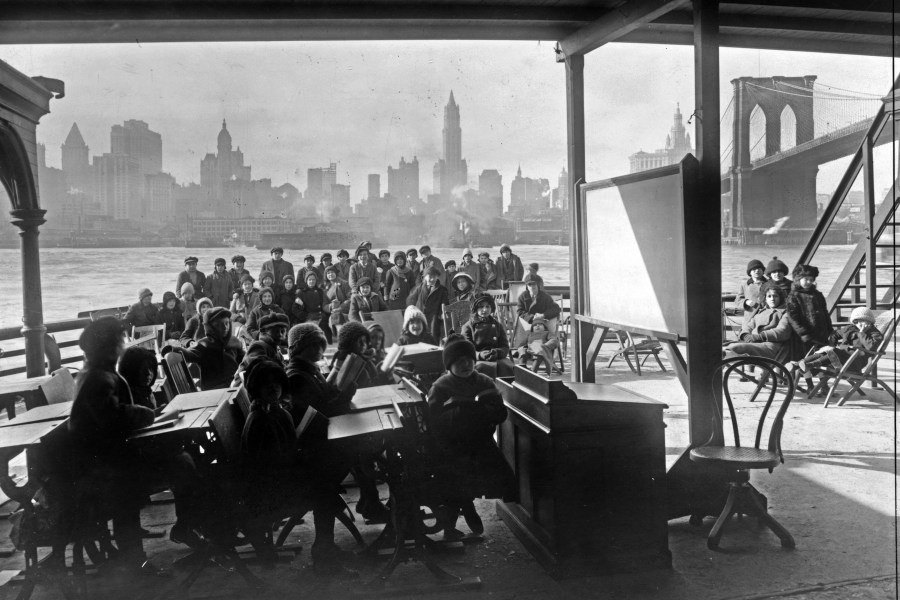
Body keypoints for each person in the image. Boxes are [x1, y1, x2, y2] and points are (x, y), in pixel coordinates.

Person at [69, 318, 196, 572]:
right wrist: (147, 414)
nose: (123, 345)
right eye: (120, 340)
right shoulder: (97, 378)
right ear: (109, 346)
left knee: (182, 459)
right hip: (107, 469)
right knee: (182, 463)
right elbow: (113, 417)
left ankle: (182, 529)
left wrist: (150, 414)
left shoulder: (98, 373)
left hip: (112, 459)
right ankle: (139, 558)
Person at [239, 358, 354, 574]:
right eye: (266, 384)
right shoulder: (262, 419)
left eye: (277, 383)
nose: (273, 387)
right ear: (256, 388)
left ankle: (325, 550)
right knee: (324, 491)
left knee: (325, 482)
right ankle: (324, 556)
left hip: (277, 482)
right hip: (268, 494)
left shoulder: (274, 411)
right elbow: (269, 466)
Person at [427, 335, 516, 538]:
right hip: (453, 445)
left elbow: (501, 413)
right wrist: (456, 414)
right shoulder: (440, 387)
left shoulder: (484, 381)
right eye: (459, 362)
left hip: (481, 442)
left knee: (491, 475)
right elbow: (434, 421)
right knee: (454, 482)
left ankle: (468, 505)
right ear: (449, 365)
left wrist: (487, 410)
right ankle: (453, 524)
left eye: (469, 360)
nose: (465, 364)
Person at [789, 306, 884, 380]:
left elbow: (871, 347)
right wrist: (831, 345)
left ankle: (809, 365)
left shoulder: (875, 334)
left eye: (862, 320)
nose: (859, 323)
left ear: (870, 321)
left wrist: (862, 333)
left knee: (833, 351)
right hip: (842, 358)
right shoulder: (850, 329)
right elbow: (835, 335)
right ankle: (798, 365)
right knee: (826, 351)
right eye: (856, 321)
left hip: (855, 362)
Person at [170, 307, 245, 390]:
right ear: (210, 328)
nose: (225, 327)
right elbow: (188, 354)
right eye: (218, 325)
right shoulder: (204, 345)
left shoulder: (234, 341)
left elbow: (244, 360)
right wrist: (171, 348)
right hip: (213, 390)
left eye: (227, 323)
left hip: (234, 386)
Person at [724, 286, 793, 361]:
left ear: (780, 298)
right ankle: (717, 370)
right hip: (754, 343)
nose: (772, 299)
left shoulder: (785, 313)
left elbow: (782, 331)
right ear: (766, 299)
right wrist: (745, 335)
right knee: (723, 348)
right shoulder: (761, 312)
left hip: (771, 346)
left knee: (734, 348)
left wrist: (759, 336)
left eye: (775, 296)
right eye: (769, 296)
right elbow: (749, 326)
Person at [786, 264, 836, 355]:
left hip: (821, 333)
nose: (809, 282)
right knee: (806, 358)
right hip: (804, 336)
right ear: (798, 279)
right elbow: (793, 318)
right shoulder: (794, 296)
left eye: (811, 280)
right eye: (806, 279)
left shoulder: (818, 294)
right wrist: (804, 334)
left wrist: (829, 330)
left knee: (823, 355)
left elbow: (825, 313)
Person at [461, 293, 513, 378]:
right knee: (483, 368)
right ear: (475, 309)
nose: (484, 310)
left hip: (496, 357)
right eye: (481, 307)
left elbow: (505, 347)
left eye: (488, 306)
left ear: (491, 308)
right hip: (477, 359)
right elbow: (466, 350)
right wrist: (480, 355)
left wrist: (497, 352)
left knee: (508, 367)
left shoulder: (497, 325)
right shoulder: (468, 326)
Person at [233, 313, 290, 385]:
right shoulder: (258, 346)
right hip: (242, 389)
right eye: (275, 331)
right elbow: (259, 367)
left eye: (282, 331)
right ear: (264, 332)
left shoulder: (275, 350)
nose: (280, 335)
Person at [406, 266, 450, 343]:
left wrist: (442, 313)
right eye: (429, 277)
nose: (432, 279)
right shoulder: (419, 287)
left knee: (433, 336)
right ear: (425, 277)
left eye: (434, 277)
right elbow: (410, 300)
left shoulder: (442, 289)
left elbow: (445, 303)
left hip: (434, 317)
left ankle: (434, 351)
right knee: (420, 335)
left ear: (437, 277)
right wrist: (412, 310)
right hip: (421, 315)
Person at [736, 259, 768, 326]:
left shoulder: (769, 283)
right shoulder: (745, 285)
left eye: (759, 268)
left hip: (766, 318)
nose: (757, 271)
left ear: (763, 271)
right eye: (754, 269)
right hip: (749, 318)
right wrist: (746, 302)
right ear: (750, 272)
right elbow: (738, 300)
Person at [322, 266, 349, 343]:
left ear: (336, 273)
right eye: (328, 273)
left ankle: (342, 338)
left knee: (337, 317)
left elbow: (350, 298)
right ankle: (342, 338)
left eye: (332, 272)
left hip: (345, 310)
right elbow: (324, 305)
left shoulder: (344, 283)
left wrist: (341, 307)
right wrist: (331, 306)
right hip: (333, 311)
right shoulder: (325, 287)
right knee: (335, 317)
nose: (330, 274)